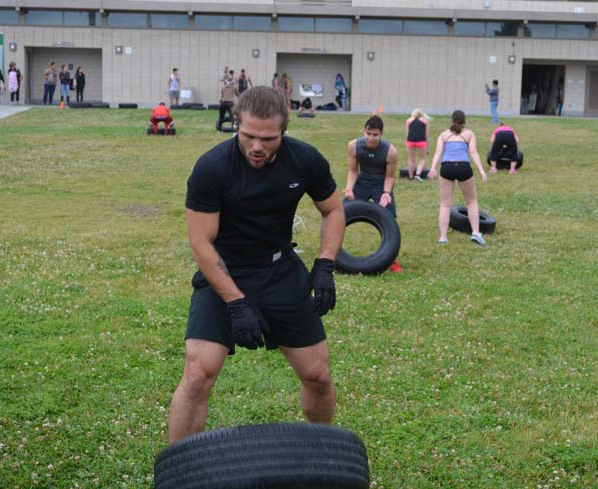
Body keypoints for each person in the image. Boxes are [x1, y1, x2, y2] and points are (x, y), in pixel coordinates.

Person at [168, 86, 345, 441]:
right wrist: (236, 302)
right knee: (199, 371)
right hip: (224, 271)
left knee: (318, 375)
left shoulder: (305, 160)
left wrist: (325, 265)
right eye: (248, 135)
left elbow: (333, 209)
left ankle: (325, 452)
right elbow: (201, 243)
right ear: (236, 123)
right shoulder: (213, 167)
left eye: (268, 138)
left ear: (284, 129)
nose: (257, 146)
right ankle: (179, 470)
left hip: (280, 271)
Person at [344, 115, 402, 273]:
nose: (371, 138)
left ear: (381, 134)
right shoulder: (354, 146)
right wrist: (349, 188)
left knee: (389, 220)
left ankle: (390, 259)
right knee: (340, 215)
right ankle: (334, 258)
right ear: (364, 131)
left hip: (380, 183)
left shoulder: (390, 151)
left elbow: (390, 176)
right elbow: (353, 171)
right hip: (361, 181)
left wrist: (386, 193)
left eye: (375, 135)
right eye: (368, 134)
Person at [428, 110, 488, 246]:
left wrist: (432, 168)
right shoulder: (469, 134)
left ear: (452, 120)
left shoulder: (443, 135)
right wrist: (481, 171)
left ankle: (443, 237)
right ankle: (476, 233)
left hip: (446, 168)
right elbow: (473, 152)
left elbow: (438, 152)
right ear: (464, 121)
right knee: (471, 201)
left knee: (445, 204)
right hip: (463, 167)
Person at [404, 108, 431, 181]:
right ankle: (418, 174)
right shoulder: (425, 121)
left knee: (411, 159)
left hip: (410, 141)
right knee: (422, 158)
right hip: (421, 141)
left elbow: (407, 134)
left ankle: (410, 176)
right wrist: (427, 147)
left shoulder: (408, 120)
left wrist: (406, 143)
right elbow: (426, 135)